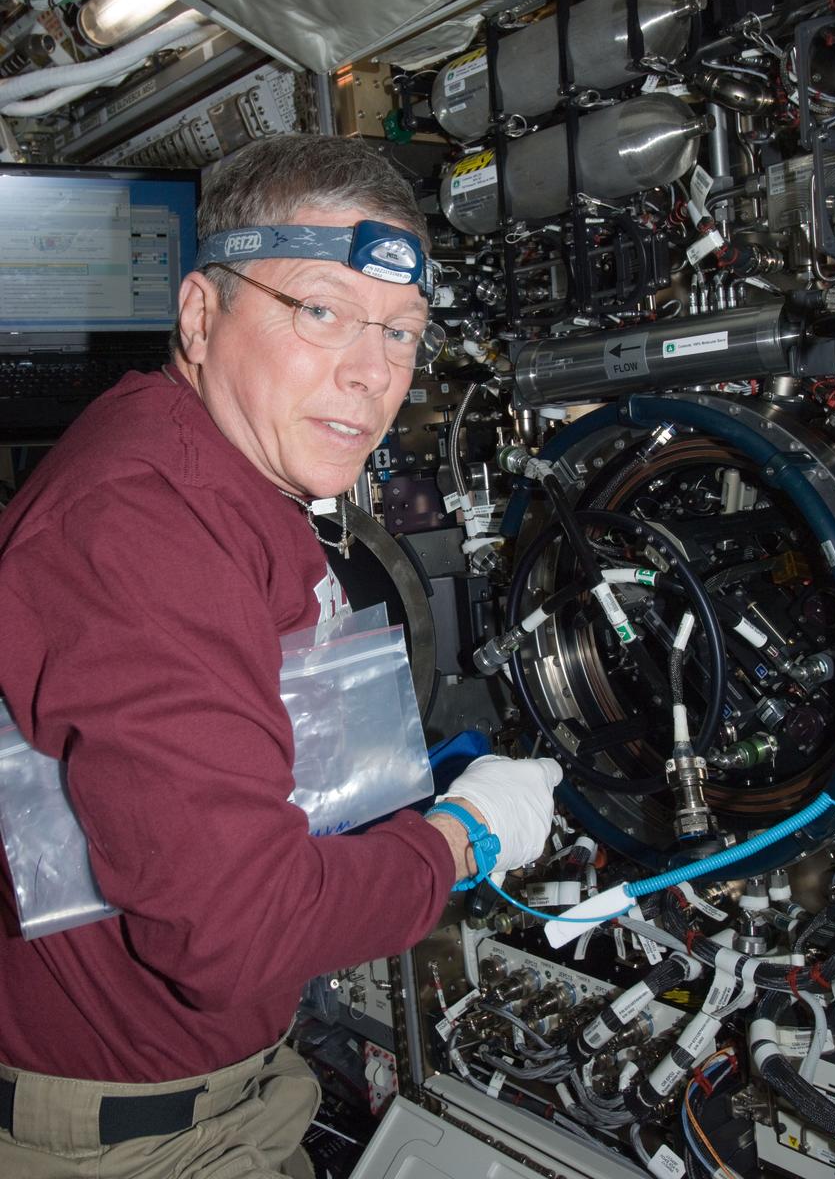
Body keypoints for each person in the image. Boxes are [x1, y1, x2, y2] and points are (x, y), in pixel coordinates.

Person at [0, 134, 562, 1178]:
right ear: (201, 315)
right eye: (319, 312)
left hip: (214, 1087)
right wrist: (461, 839)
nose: (370, 370)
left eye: (402, 331)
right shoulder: (145, 523)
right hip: (141, 1139)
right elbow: (234, 931)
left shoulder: (212, 469)